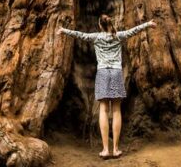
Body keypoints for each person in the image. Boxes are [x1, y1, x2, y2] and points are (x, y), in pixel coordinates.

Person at [58, 14, 156, 159]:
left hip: (103, 73)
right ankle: (115, 149)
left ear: (100, 25)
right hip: (116, 73)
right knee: (116, 110)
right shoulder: (119, 36)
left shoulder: (96, 37)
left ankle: (105, 150)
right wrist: (148, 24)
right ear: (111, 23)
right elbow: (134, 30)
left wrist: (63, 30)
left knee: (103, 109)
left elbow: (79, 35)